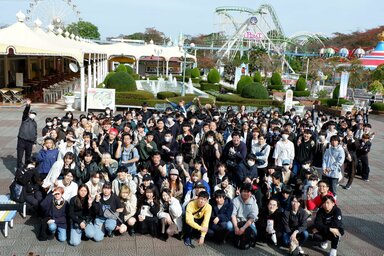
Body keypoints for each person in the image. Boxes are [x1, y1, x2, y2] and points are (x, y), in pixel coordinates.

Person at [17, 99, 37, 168]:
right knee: (20, 156)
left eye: (34, 114)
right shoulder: (25, 119)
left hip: (30, 142)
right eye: (32, 113)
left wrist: (34, 143)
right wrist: (28, 105)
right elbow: (25, 112)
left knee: (28, 157)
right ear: (29, 114)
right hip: (22, 140)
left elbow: (35, 133)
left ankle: (26, 170)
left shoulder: (34, 123)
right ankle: (19, 171)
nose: (33, 115)